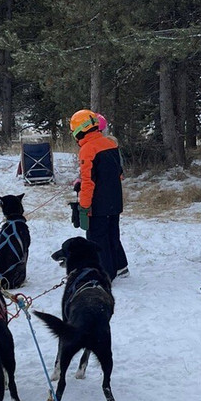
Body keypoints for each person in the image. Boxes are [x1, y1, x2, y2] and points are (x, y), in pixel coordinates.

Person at [71, 109, 129, 280]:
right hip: (115, 200)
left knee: (97, 238)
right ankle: (120, 266)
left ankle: (104, 273)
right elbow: (118, 172)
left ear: (79, 129)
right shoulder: (111, 144)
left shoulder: (88, 149)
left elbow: (89, 181)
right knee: (112, 234)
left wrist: (84, 204)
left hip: (98, 203)